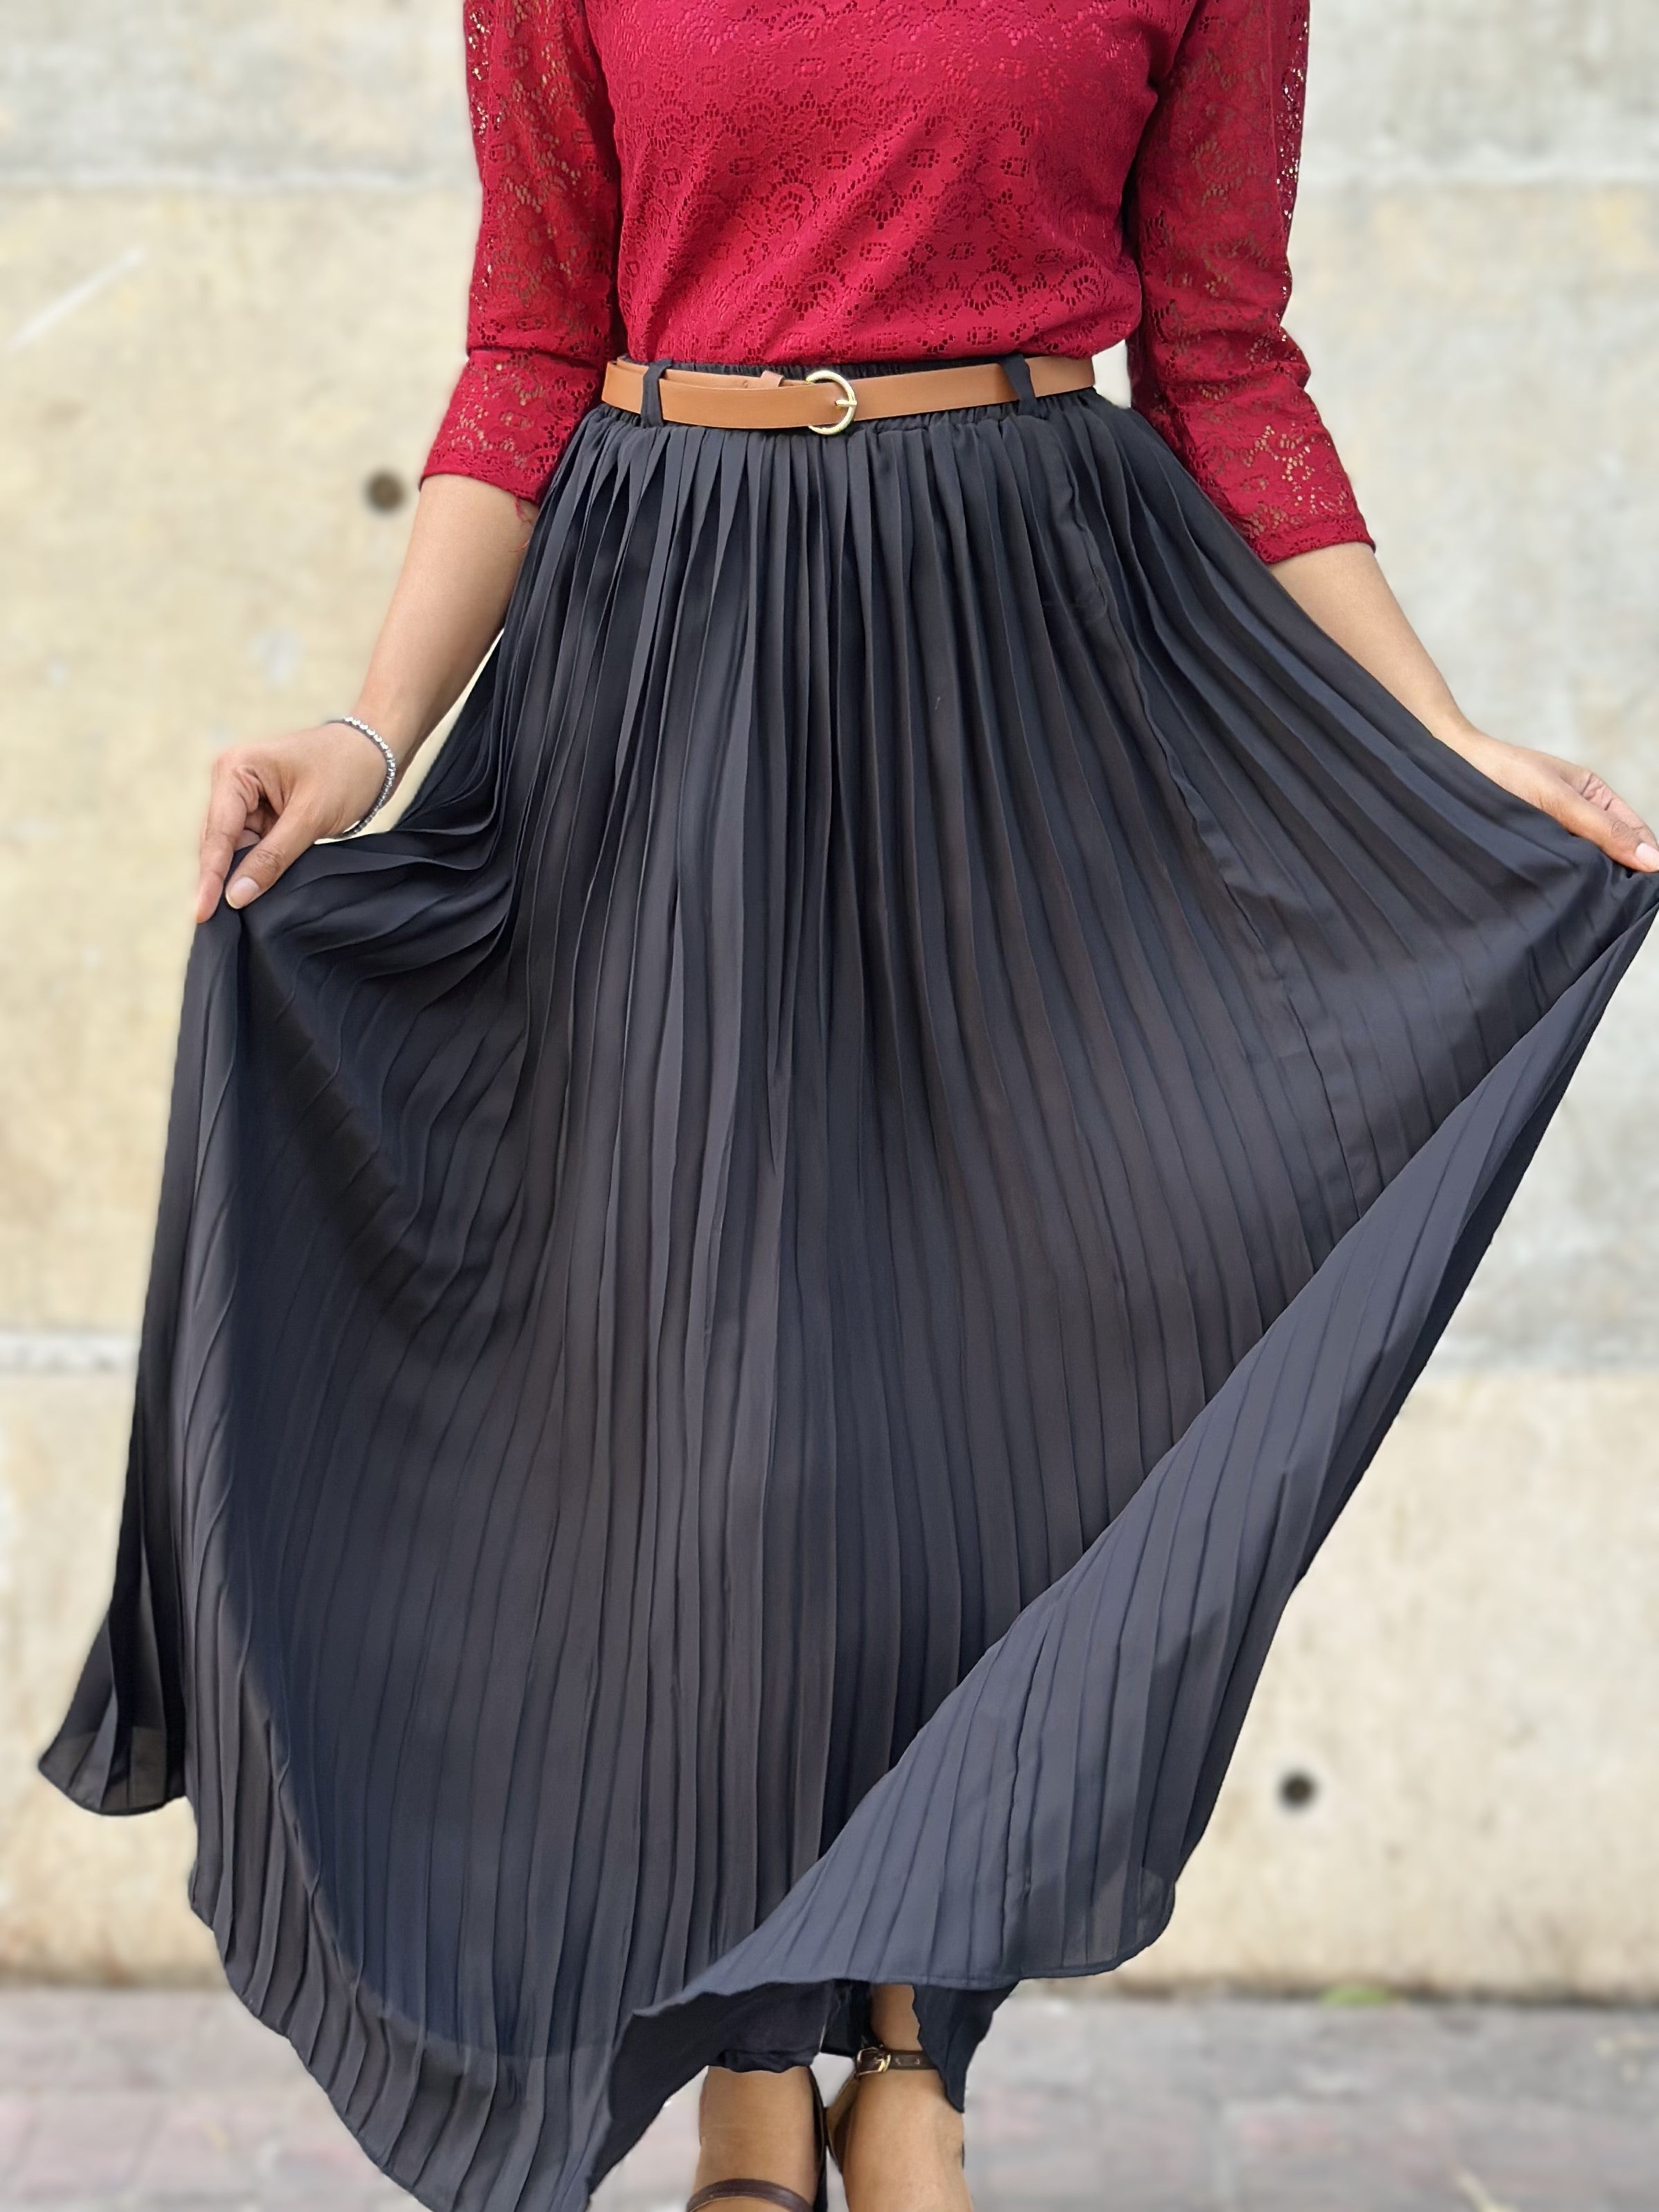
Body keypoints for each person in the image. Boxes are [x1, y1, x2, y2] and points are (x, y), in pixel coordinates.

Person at [42, 3, 1657, 2210]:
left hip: (1037, 681)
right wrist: (368, 727)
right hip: (669, 676)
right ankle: (744, 2048)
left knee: (988, 1389)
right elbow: (531, 342)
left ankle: (911, 2037)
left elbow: (1227, 365)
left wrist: (1441, 742)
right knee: (723, 1435)